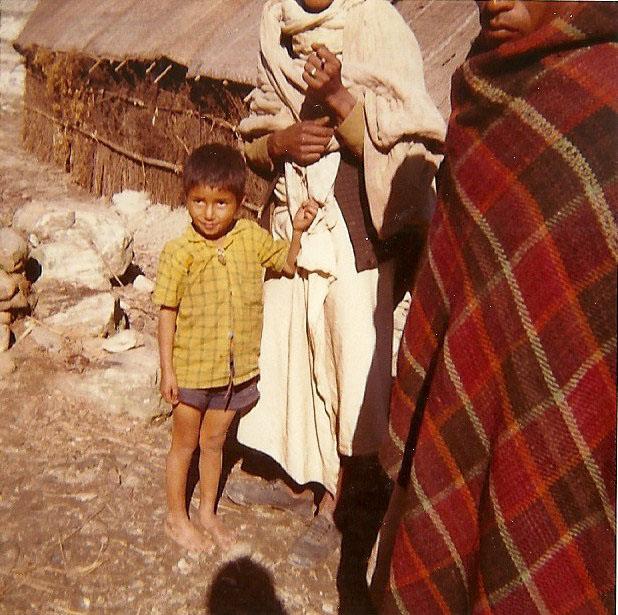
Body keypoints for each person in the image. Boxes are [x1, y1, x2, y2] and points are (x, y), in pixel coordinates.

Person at [378, 1, 617, 612]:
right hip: (469, 380)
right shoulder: (482, 89)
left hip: (577, 402)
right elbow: (454, 265)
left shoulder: (605, 93)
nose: (493, 1)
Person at [226, 0, 446, 568]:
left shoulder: (377, 25)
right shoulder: (276, 27)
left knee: (352, 359)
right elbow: (256, 135)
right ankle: (301, 476)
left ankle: (344, 501)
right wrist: (281, 143)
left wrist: (342, 99)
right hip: (294, 222)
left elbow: (413, 145)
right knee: (295, 352)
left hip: (355, 227)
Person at [153, 143, 319, 553]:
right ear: (186, 198)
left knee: (214, 444)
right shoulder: (179, 252)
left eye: (221, 203)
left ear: (240, 202)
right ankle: (176, 517)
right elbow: (166, 312)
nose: (209, 213)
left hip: (233, 371)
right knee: (184, 445)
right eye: (199, 202)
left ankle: (207, 512)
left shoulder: (249, 238)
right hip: (191, 370)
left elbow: (286, 263)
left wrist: (297, 231)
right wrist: (168, 370)